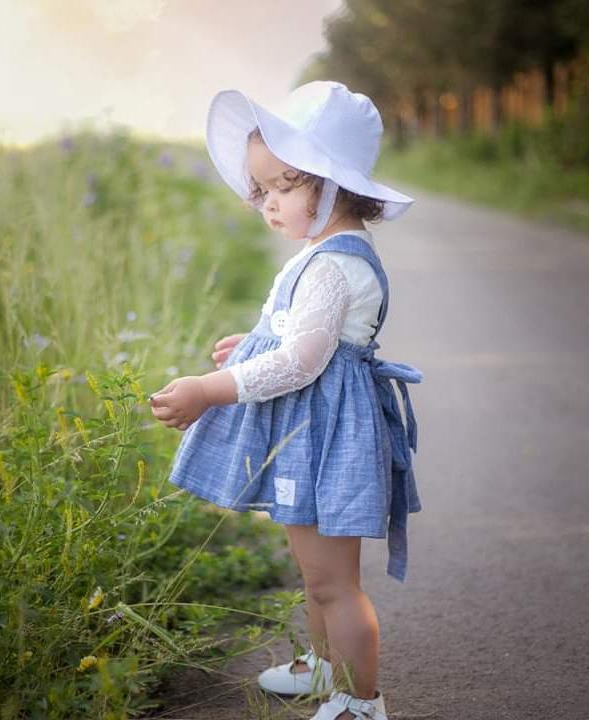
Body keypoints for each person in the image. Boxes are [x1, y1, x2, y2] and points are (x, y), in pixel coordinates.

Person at [149, 81, 423, 720]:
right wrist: (257, 339)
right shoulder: (321, 254)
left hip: (327, 436)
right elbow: (310, 334)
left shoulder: (332, 263)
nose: (268, 203)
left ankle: (361, 702)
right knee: (313, 573)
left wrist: (209, 391)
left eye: (284, 186)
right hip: (313, 431)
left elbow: (303, 362)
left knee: (334, 582)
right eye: (262, 189)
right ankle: (328, 668)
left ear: (333, 185)